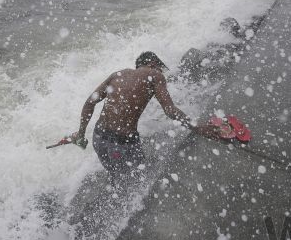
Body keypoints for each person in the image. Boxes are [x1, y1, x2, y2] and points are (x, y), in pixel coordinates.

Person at [69, 51, 221, 183]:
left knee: (116, 175)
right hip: (122, 144)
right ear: (153, 63)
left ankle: (116, 191)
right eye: (160, 68)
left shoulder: (117, 75)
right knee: (137, 179)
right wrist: (198, 127)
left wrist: (81, 134)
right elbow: (170, 110)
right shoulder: (154, 75)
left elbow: (89, 103)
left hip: (99, 139)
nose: (161, 72)